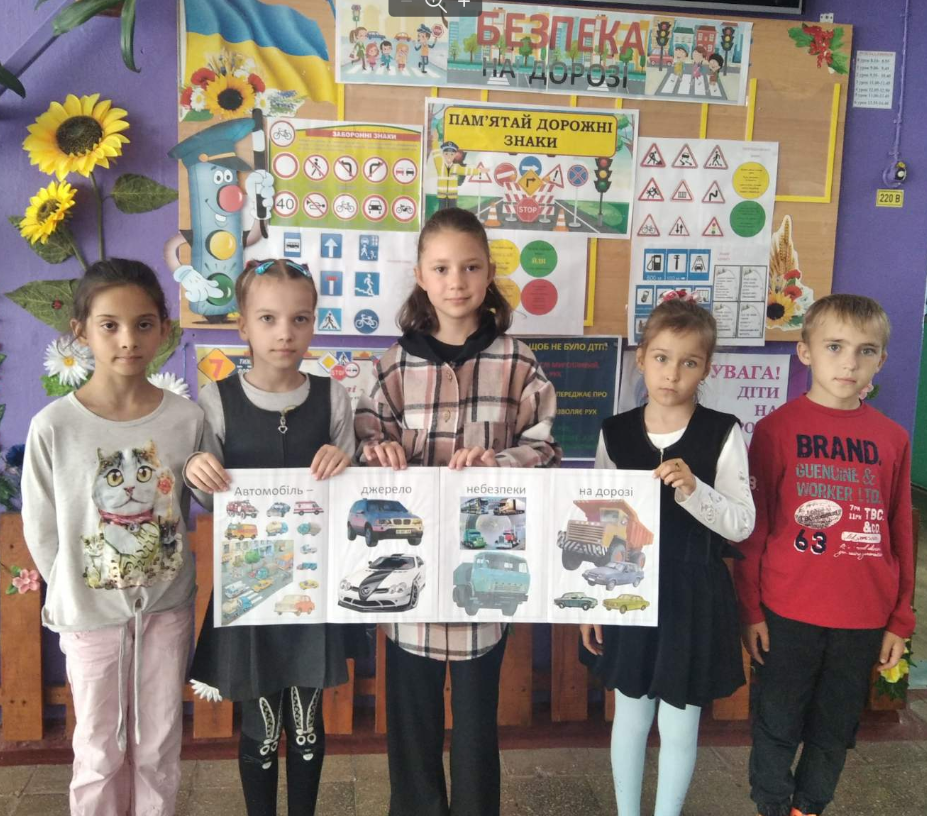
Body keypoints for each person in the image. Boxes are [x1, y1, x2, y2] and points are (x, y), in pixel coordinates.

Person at [355, 207, 561, 816]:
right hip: (407, 580)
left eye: (470, 267)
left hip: (485, 576)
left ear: (489, 273)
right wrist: (378, 452)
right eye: (441, 268)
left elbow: (546, 446)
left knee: (475, 726)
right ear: (421, 275)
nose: (456, 281)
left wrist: (500, 462)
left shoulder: (517, 361)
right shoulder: (393, 365)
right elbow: (365, 441)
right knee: (411, 724)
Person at [21, 259, 206, 815]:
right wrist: (78, 592)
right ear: (80, 331)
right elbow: (43, 527)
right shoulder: (54, 426)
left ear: (164, 328)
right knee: (98, 750)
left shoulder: (186, 419)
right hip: (89, 619)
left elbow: (197, 503)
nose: (128, 340)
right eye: (110, 325)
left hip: (165, 613)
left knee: (157, 747)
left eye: (143, 324)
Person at [184, 258, 361, 816]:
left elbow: (353, 495)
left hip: (313, 587)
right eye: (268, 318)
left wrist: (346, 464)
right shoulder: (216, 399)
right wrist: (196, 472)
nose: (285, 332)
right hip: (250, 590)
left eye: (299, 318)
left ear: (313, 324)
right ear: (243, 325)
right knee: (261, 730)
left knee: (306, 725)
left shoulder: (334, 398)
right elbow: (207, 496)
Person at [735, 294, 915, 816]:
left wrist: (900, 620)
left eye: (865, 351)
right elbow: (755, 529)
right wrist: (751, 610)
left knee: (834, 728)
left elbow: (901, 533)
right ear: (806, 351)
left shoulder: (892, 439)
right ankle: (773, 805)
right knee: (777, 721)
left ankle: (809, 808)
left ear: (880, 360)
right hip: (787, 612)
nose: (849, 362)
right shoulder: (775, 430)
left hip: (863, 616)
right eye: (835, 346)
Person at [581, 296, 755, 816]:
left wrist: (695, 490)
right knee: (631, 716)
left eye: (689, 362)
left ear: (707, 368)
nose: (672, 374)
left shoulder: (722, 431)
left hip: (693, 593)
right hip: (629, 591)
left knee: (680, 722)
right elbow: (599, 524)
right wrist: (592, 604)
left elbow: (741, 523)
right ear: (641, 358)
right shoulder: (615, 432)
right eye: (661, 358)